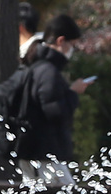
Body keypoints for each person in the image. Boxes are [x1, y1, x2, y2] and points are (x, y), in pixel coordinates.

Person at [19, 13, 90, 183]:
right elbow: (55, 112)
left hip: (32, 151)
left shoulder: (35, 64)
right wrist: (72, 93)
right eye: (72, 45)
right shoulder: (48, 71)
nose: (72, 50)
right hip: (45, 153)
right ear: (61, 41)